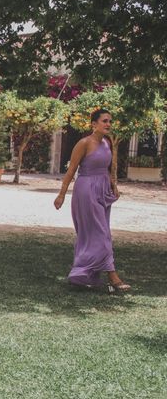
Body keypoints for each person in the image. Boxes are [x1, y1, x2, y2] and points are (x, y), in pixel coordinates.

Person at [54, 108, 130, 291]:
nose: (108, 124)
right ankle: (113, 277)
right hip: (86, 190)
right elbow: (71, 170)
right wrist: (61, 194)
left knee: (98, 233)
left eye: (110, 121)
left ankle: (83, 274)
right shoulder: (84, 143)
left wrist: (114, 186)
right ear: (93, 124)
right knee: (100, 234)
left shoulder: (108, 142)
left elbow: (110, 168)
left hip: (102, 190)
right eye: (104, 121)